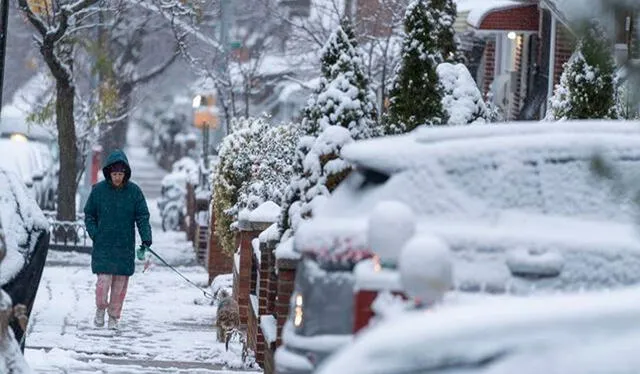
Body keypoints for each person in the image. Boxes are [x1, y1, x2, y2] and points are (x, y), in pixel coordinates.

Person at [84, 149, 152, 330]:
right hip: (104, 245)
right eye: (114, 173)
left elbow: (142, 216)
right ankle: (100, 309)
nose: (117, 177)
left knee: (119, 286)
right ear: (109, 173)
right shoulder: (98, 191)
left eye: (120, 174)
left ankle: (114, 316)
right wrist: (95, 233)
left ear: (126, 174)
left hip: (124, 246)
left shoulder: (134, 192)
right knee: (103, 283)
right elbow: (89, 214)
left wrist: (146, 239)